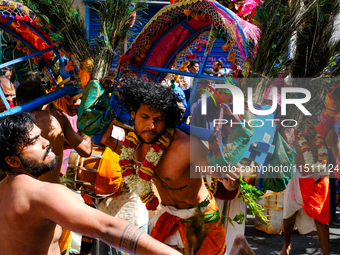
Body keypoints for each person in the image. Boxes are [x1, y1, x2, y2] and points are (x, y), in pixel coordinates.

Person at [100, 77, 254, 254]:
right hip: (167, 218)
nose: (151, 126)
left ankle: (240, 248)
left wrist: (230, 182)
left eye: (158, 119)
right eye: (145, 117)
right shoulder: (135, 143)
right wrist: (109, 141)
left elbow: (219, 174)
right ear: (133, 114)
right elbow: (133, 158)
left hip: (199, 220)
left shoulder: (185, 147)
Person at [0, 112, 181, 255]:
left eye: (40, 136)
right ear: (12, 161)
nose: (46, 142)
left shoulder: (4, 188)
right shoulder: (42, 194)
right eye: (33, 142)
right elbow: (107, 228)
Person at [16, 80, 93, 184]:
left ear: (17, 101)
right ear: (44, 97)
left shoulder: (13, 125)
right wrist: (88, 123)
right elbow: (86, 151)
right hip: (51, 189)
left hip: (23, 193)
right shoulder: (56, 117)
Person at [280, 125, 330, 255]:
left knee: (320, 215)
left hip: (319, 175)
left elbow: (333, 143)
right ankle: (286, 244)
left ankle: (326, 253)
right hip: (296, 173)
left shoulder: (325, 125)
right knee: (290, 210)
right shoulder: (294, 125)